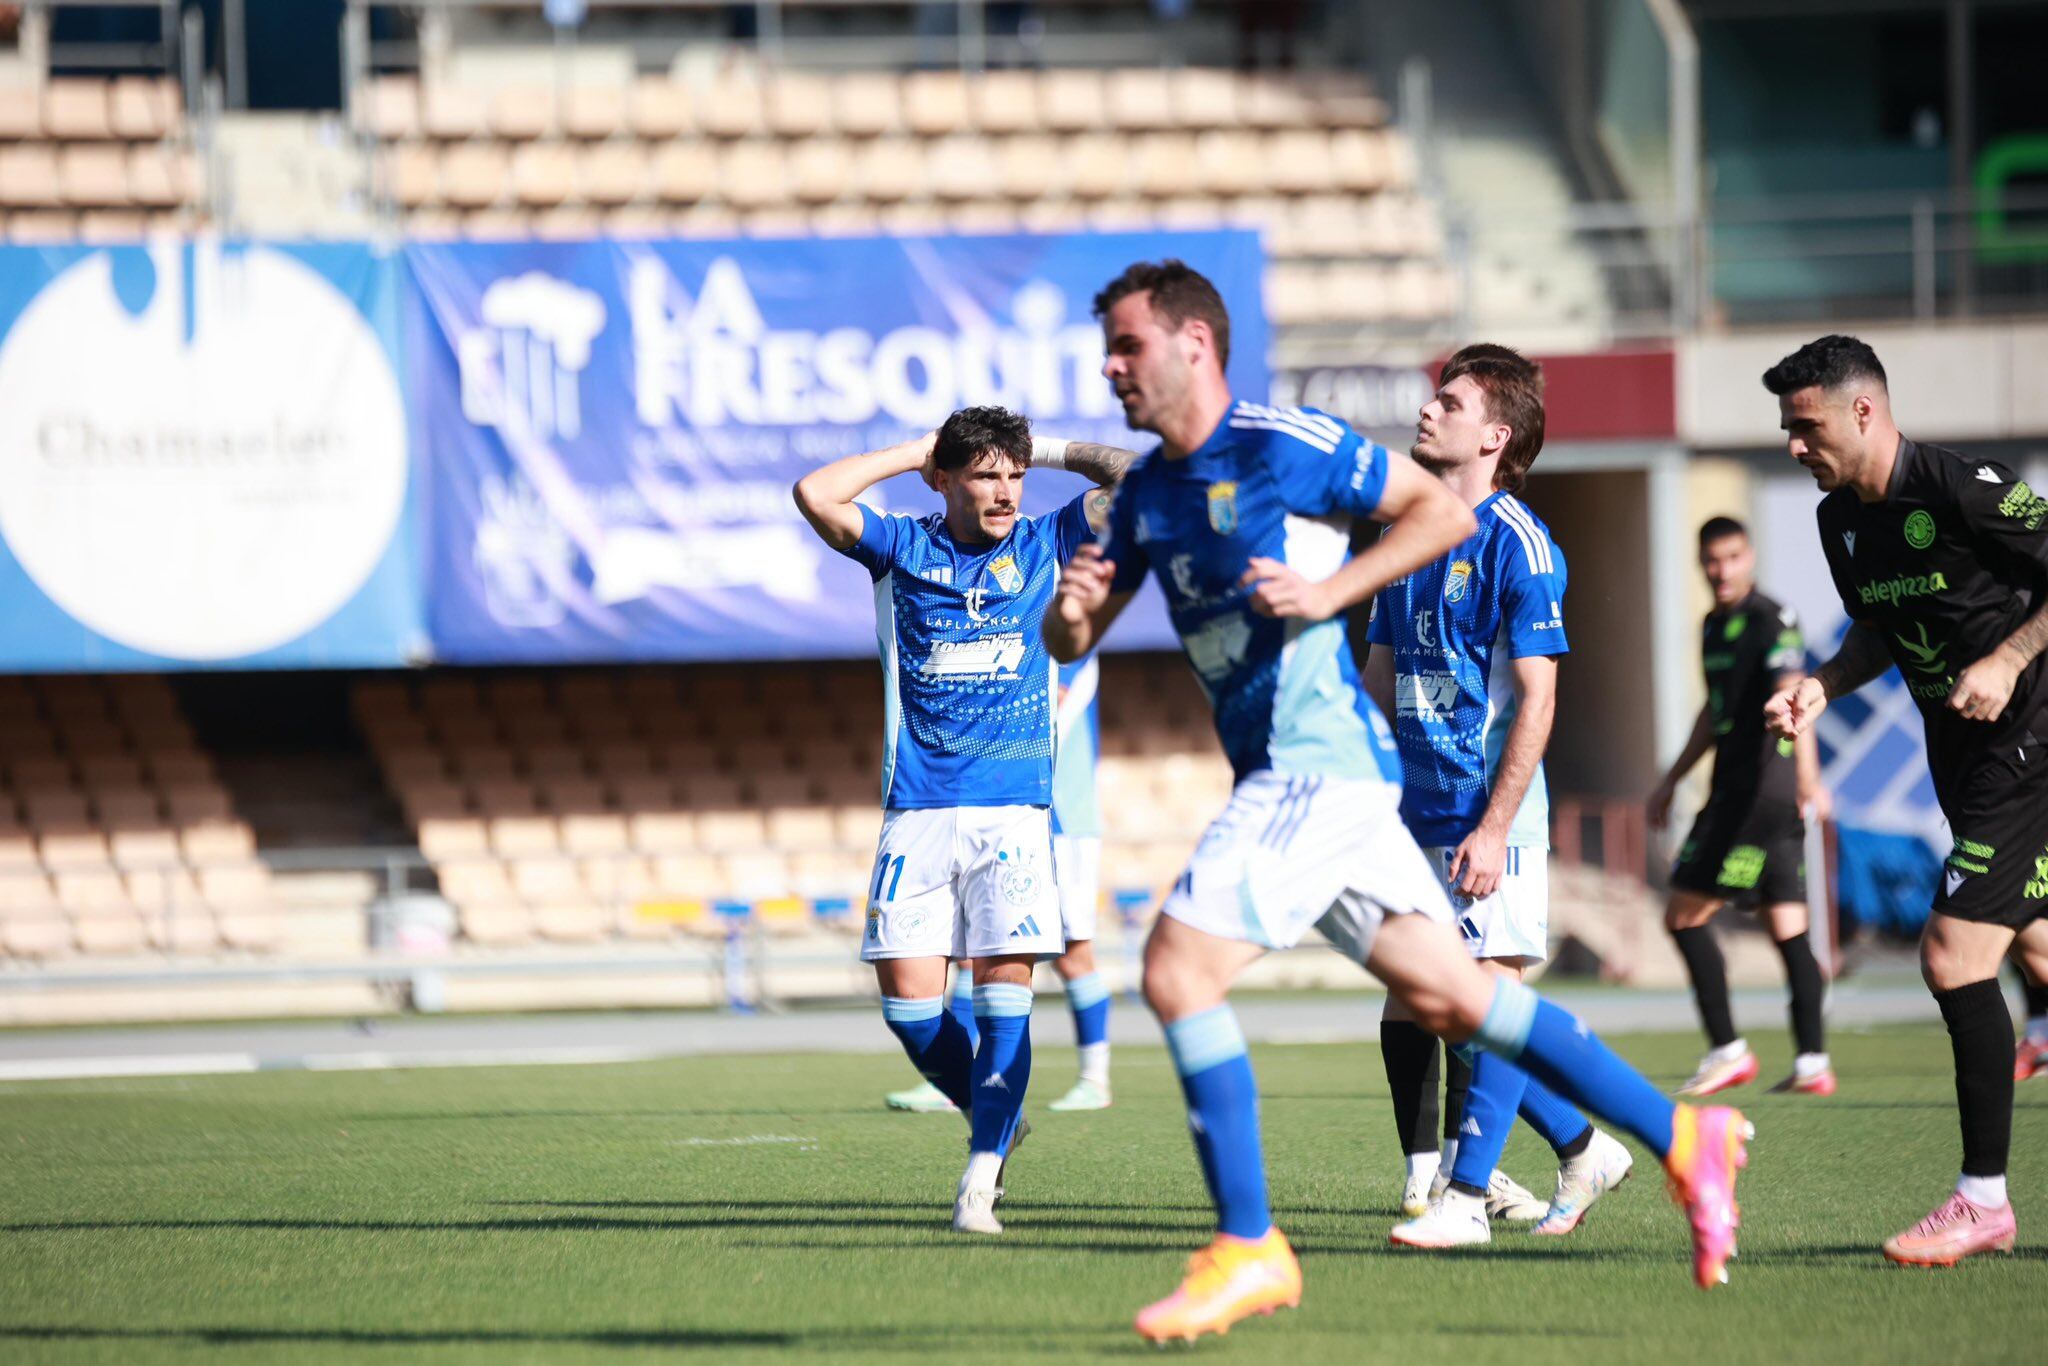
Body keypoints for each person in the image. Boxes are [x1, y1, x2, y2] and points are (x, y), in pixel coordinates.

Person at [1049, 259, 1751, 1343]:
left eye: (1127, 344)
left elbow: (1436, 512)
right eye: (1106, 347)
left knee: (1176, 968)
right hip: (1324, 783)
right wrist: (1071, 610)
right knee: (1456, 1000)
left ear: (1194, 344)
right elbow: (1071, 639)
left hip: (1313, 763)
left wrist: (1327, 590)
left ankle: (1248, 1248)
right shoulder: (1144, 495)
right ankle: (1676, 1136)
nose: (1109, 365)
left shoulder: (1284, 444)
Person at [792, 407, 1131, 1234]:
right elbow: (815, 491)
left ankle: (982, 1173)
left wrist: (1045, 449)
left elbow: (1140, 481)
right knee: (910, 1009)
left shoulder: (1047, 541)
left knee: (1001, 995)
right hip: (918, 807)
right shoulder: (900, 547)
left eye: (1015, 474)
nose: (1006, 490)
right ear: (943, 480)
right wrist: (921, 452)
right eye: (984, 473)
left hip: (1015, 813)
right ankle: (997, 1117)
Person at [1761, 333, 2043, 1265]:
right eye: (1787, 432)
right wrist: (1822, 686)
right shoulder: (1839, 521)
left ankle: (1983, 1202)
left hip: (2028, 748)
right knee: (2037, 950)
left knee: (1954, 959)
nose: (1796, 447)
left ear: (1864, 412)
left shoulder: (1967, 484)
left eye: (1807, 428)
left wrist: (2007, 658)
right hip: (1963, 763)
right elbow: (1879, 633)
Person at [1367, 344, 1634, 1249]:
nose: (1428, 410)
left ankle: (1466, 1200)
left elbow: (1539, 696)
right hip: (1412, 821)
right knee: (1421, 1002)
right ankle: (1580, 1144)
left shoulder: (1520, 544)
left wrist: (1493, 826)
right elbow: (1378, 680)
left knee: (1491, 1000)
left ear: (1496, 434)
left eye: (1449, 400)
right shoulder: (1404, 532)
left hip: (1490, 825)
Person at [1649, 517, 1835, 1097]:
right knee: (1789, 929)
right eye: (1711, 559)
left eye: (1731, 557)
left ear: (1749, 557)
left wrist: (1808, 778)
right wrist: (1672, 779)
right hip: (1755, 795)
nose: (1721, 570)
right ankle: (1812, 1064)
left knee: (1681, 916)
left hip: (1753, 794)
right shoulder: (1712, 625)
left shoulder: (1770, 619)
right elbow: (1714, 712)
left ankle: (1728, 1050)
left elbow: (1793, 696)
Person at [884, 658, 1112, 1115]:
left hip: (1058, 816)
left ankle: (1095, 1078)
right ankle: (960, 1078)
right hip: (1001, 811)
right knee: (972, 948)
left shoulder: (1069, 644)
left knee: (1073, 953)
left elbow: (1045, 707)